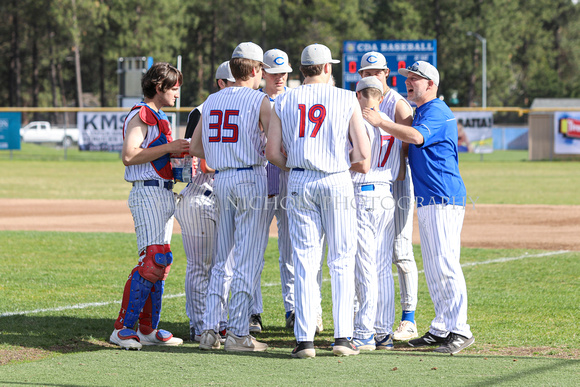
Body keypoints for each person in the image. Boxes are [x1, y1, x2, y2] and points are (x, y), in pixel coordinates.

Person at [362, 60, 475, 355]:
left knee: (445, 264)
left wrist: (381, 122)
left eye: (416, 79)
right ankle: (441, 328)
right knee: (435, 266)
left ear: (432, 85)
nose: (409, 82)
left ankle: (460, 330)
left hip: (442, 196)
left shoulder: (436, 111)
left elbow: (416, 137)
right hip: (429, 197)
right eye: (408, 78)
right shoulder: (422, 111)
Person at [266, 43, 371, 358]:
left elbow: (272, 153)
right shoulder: (344, 98)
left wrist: (296, 166)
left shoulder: (284, 99)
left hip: (299, 179)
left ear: (300, 70)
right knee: (341, 259)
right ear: (328, 67)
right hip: (336, 178)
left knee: (304, 260)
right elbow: (363, 155)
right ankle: (342, 338)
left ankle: (305, 340)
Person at [190, 42, 271, 352]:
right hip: (250, 176)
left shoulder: (210, 101)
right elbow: (273, 145)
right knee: (247, 257)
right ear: (254, 70)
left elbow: (196, 148)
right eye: (261, 69)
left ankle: (209, 328)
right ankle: (238, 333)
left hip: (221, 178)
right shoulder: (259, 100)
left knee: (222, 256)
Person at [110, 62, 189, 350]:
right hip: (147, 193)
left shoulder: (158, 115)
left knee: (162, 263)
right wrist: (170, 148)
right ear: (159, 87)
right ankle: (122, 329)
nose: (178, 94)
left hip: (163, 192)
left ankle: (147, 329)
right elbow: (130, 155)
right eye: (175, 88)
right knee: (152, 260)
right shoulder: (141, 114)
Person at [358, 51, 419, 341]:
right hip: (373, 184)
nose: (372, 76)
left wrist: (401, 173)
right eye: (366, 72)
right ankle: (368, 319)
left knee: (400, 251)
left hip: (396, 183)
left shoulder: (396, 102)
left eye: (378, 71)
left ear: (386, 73)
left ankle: (409, 318)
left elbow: (410, 140)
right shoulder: (359, 99)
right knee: (370, 255)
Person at [175, 61, 235, 344]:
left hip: (224, 196)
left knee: (224, 266)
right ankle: (199, 325)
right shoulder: (203, 110)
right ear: (221, 83)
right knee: (201, 266)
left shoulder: (242, 108)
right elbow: (199, 162)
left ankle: (218, 322)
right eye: (233, 82)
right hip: (201, 195)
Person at [350, 77, 404, 351]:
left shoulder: (358, 120)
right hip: (387, 193)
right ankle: (384, 332)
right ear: (381, 97)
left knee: (364, 265)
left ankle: (364, 332)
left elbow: (360, 162)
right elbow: (402, 168)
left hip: (363, 193)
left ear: (357, 95)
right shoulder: (389, 122)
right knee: (383, 266)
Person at [249, 48, 294, 333]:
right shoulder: (253, 100)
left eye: (284, 73)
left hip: (289, 181)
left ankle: (293, 309)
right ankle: (253, 312)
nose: (279, 78)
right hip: (260, 180)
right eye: (274, 73)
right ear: (262, 71)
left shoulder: (295, 99)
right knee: (254, 249)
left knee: (291, 250)